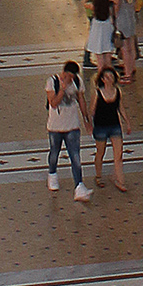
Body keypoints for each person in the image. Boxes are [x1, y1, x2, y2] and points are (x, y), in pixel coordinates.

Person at [45, 62, 91, 199]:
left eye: (72, 76)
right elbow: (53, 103)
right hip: (55, 127)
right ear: (63, 73)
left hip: (72, 126)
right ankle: (52, 173)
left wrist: (86, 120)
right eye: (68, 76)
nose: (70, 79)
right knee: (54, 152)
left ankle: (79, 185)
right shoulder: (52, 82)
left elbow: (81, 101)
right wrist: (62, 90)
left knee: (75, 156)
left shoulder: (77, 82)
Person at [90, 65, 128, 191]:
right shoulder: (97, 92)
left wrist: (127, 122)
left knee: (119, 154)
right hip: (101, 126)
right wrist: (90, 125)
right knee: (101, 152)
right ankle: (98, 176)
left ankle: (119, 180)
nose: (109, 78)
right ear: (102, 79)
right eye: (106, 76)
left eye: (111, 76)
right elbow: (92, 110)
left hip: (115, 126)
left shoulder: (117, 92)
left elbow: (120, 107)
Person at [113, 0, 142, 83]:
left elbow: (116, 7)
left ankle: (127, 73)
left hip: (122, 20)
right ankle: (132, 67)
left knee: (125, 48)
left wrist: (113, 20)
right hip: (131, 18)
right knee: (131, 46)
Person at [87, 0, 117, 78]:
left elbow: (83, 2)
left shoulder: (94, 7)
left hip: (97, 34)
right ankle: (111, 79)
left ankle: (101, 81)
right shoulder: (110, 5)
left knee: (100, 62)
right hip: (108, 31)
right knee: (108, 61)